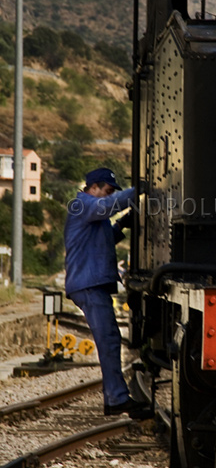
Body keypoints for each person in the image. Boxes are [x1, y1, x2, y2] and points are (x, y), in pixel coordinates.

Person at [64, 167, 151, 419]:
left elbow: (102, 239)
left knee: (110, 339)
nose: (109, 195)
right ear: (93, 187)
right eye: (107, 190)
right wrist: (139, 191)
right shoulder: (82, 204)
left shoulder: (92, 213)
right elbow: (108, 206)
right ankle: (116, 399)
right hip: (88, 284)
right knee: (109, 340)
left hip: (92, 283)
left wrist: (122, 224)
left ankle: (116, 397)